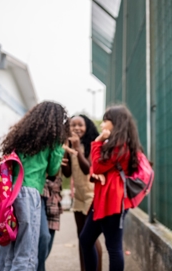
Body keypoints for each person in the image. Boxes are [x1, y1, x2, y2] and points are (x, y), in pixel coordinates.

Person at [0, 101, 68, 271]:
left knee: (7, 249)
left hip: (9, 191)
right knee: (26, 251)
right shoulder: (53, 140)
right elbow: (52, 170)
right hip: (29, 193)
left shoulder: (21, 135)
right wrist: (60, 149)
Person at [79, 105, 143, 271]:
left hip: (113, 201)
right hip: (103, 199)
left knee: (113, 247)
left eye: (106, 120)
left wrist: (97, 141)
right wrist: (96, 172)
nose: (102, 124)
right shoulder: (115, 144)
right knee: (86, 240)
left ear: (116, 123)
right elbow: (97, 168)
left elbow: (99, 166)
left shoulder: (121, 145)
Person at [61, 114, 103, 271]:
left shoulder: (93, 145)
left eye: (80, 125)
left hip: (92, 195)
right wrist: (66, 150)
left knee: (90, 237)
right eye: (73, 125)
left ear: (87, 127)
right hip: (78, 195)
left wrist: (77, 148)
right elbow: (66, 173)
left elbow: (87, 170)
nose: (76, 128)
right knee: (81, 237)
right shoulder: (70, 146)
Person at [37, 173, 63, 271]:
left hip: (53, 198)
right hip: (40, 192)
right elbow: (52, 169)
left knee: (45, 250)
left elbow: (66, 172)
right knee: (44, 237)